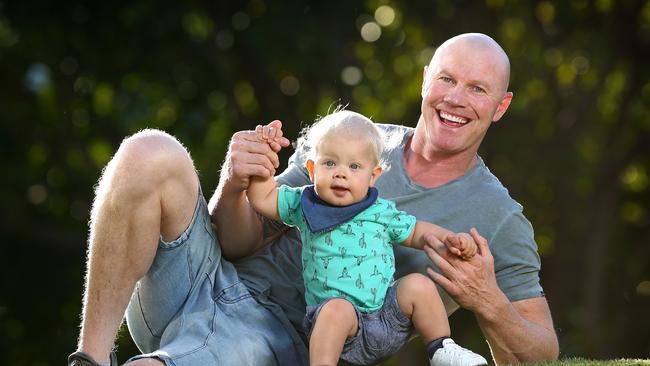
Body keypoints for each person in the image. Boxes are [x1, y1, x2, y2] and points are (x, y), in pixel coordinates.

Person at [69, 33, 559, 366]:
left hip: (283, 337)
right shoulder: (352, 140)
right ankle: (89, 357)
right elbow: (241, 243)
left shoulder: (499, 217)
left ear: (501, 106)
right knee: (149, 151)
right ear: (426, 79)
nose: (456, 99)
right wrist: (236, 182)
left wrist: (488, 301)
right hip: (203, 282)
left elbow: (543, 351)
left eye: (477, 89)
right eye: (448, 79)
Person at [247, 111, 488, 366]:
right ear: (311, 169)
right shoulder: (303, 204)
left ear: (373, 176)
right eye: (329, 163)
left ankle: (441, 349)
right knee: (336, 309)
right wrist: (262, 160)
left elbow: (417, 232)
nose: (341, 173)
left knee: (418, 284)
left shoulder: (380, 212)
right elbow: (263, 199)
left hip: (387, 317)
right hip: (340, 329)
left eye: (354, 166)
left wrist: (452, 240)